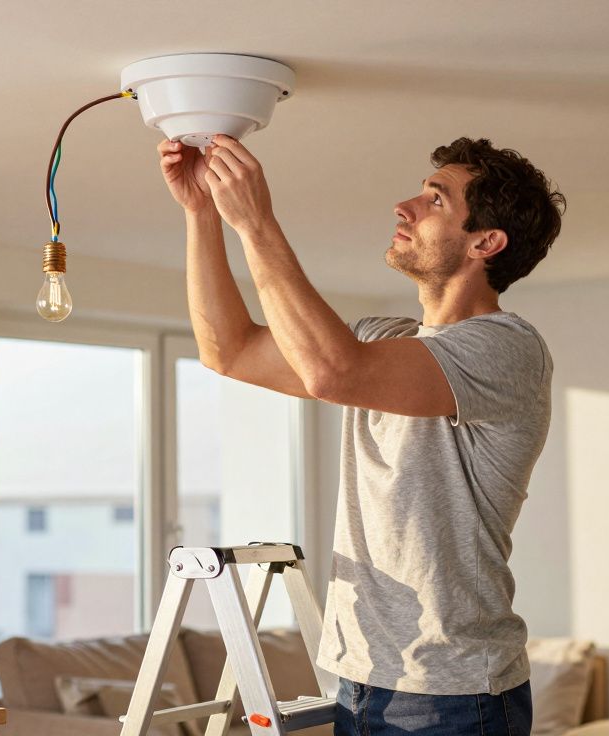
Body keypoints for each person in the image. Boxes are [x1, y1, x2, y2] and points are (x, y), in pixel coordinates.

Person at [157, 134, 565, 735]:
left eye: (435, 200)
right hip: (362, 674)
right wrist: (202, 215)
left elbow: (332, 372)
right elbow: (230, 350)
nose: (405, 207)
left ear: (486, 242)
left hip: (452, 691)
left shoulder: (506, 349)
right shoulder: (381, 337)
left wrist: (259, 224)